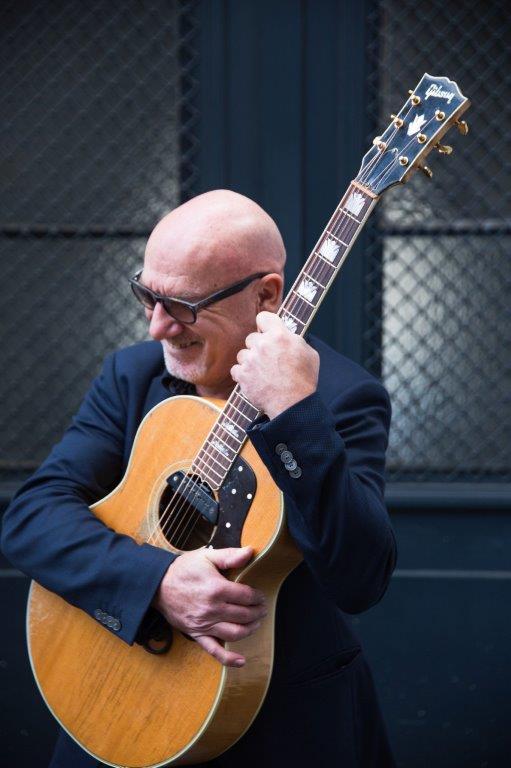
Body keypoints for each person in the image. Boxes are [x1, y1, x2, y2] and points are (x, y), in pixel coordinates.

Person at [1, 189, 397, 767]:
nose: (158, 327)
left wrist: (295, 413)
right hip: (107, 701)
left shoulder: (342, 398)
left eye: (183, 306)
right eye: (147, 296)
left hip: (276, 724)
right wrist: (157, 581)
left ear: (266, 295)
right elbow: (31, 519)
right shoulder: (132, 376)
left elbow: (359, 579)